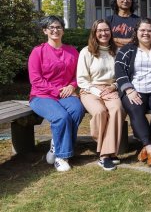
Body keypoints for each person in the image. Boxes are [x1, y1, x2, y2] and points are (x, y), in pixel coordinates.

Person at [28, 15, 85, 172]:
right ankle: (61, 156)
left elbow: (78, 75)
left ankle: (56, 143)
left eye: (58, 27)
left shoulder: (72, 51)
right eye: (51, 27)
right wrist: (58, 91)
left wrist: (72, 86)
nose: (55, 30)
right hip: (41, 95)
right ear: (45, 31)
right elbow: (36, 80)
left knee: (77, 110)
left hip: (66, 93)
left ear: (63, 30)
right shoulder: (37, 52)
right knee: (61, 117)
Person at [115, 18, 151, 166]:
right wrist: (129, 89)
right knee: (135, 109)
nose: (146, 33)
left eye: (149, 30)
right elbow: (119, 71)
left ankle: (148, 145)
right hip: (135, 89)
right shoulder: (126, 50)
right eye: (142, 30)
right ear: (137, 32)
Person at [77, 19, 125, 171]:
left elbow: (122, 76)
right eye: (100, 31)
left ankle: (105, 155)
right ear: (94, 33)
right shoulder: (86, 52)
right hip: (90, 90)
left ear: (110, 32)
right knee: (100, 112)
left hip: (111, 89)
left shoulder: (117, 51)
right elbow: (81, 80)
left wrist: (114, 86)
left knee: (117, 110)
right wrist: (97, 91)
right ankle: (106, 147)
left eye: (106, 30)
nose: (103, 33)